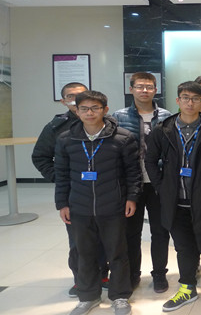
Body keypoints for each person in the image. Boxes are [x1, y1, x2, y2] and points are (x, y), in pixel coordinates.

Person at [145, 81, 201, 313]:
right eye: (185, 97)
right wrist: (162, 187)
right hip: (175, 201)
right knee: (183, 248)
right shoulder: (163, 129)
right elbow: (150, 160)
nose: (190, 103)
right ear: (178, 100)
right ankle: (187, 288)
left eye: (195, 98)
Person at [54, 90, 141, 315]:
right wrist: (62, 204)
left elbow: (133, 173)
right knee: (84, 253)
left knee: (117, 253)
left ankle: (120, 296)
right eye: (84, 108)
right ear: (77, 111)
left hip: (113, 205)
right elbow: (61, 174)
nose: (89, 113)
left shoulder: (123, 137)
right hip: (79, 207)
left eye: (95, 108)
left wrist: (132, 198)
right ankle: (88, 296)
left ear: (105, 109)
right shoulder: (66, 139)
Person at [112, 72, 172, 292]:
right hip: (131, 183)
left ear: (156, 89)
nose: (144, 90)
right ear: (131, 89)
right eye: (139, 86)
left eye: (149, 86)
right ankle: (133, 274)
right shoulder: (118, 117)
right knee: (131, 232)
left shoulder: (166, 116)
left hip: (158, 182)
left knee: (160, 231)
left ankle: (159, 274)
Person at [32, 82, 92, 297]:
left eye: (81, 95)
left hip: (104, 189)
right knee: (78, 239)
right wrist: (61, 178)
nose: (76, 100)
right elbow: (40, 157)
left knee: (104, 237)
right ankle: (81, 280)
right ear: (63, 101)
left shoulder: (105, 121)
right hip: (73, 192)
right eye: (70, 97)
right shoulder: (56, 127)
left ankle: (103, 276)